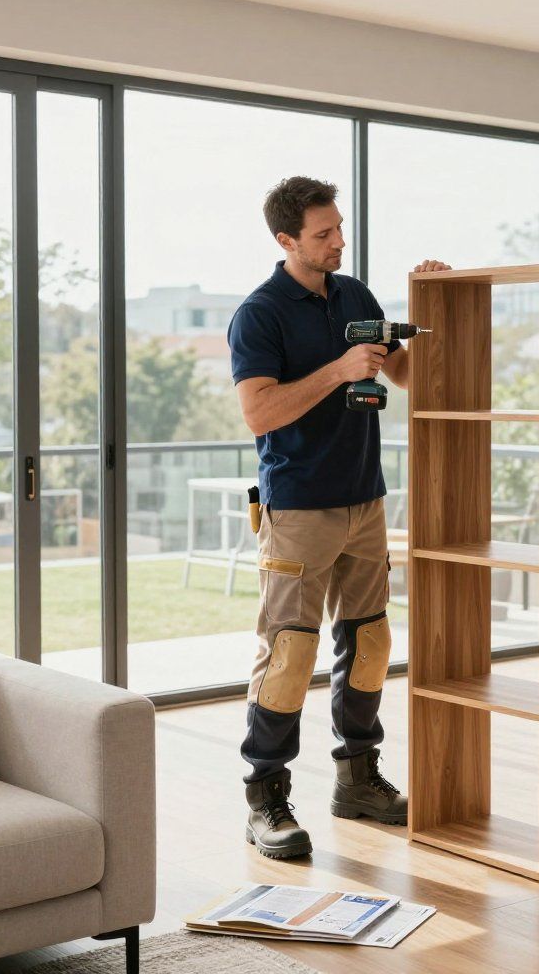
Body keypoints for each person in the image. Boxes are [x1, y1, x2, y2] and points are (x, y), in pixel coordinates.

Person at [227, 175, 449, 859]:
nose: (338, 242)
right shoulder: (258, 314)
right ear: (286, 239)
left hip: (366, 500)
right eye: (323, 234)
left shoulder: (354, 295)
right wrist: (338, 367)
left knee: (371, 643)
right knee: (291, 652)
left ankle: (358, 778)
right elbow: (259, 412)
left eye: (339, 228)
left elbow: (409, 376)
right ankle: (266, 799)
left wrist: (433, 302)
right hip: (298, 508)